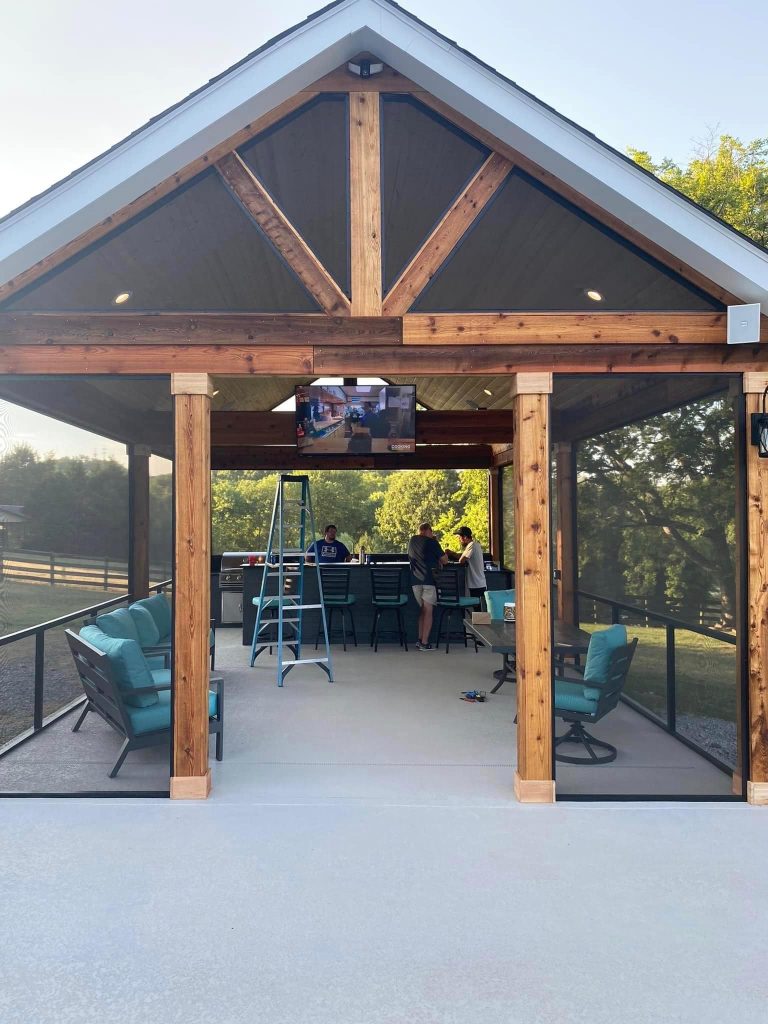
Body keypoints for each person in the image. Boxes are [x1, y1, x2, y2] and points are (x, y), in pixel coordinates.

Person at [407, 522, 449, 651]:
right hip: (429, 580)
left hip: (415, 581)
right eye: (431, 531)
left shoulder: (412, 540)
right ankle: (425, 643)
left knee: (422, 611)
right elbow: (445, 560)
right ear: (428, 531)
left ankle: (420, 639)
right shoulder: (432, 542)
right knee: (429, 611)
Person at [446, 526, 486, 605]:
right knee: (479, 610)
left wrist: (451, 554)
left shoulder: (471, 545)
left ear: (464, 537)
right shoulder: (475, 545)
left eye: (460, 537)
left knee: (478, 611)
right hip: (478, 583)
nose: (459, 540)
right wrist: (452, 553)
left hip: (476, 584)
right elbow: (462, 556)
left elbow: (461, 560)